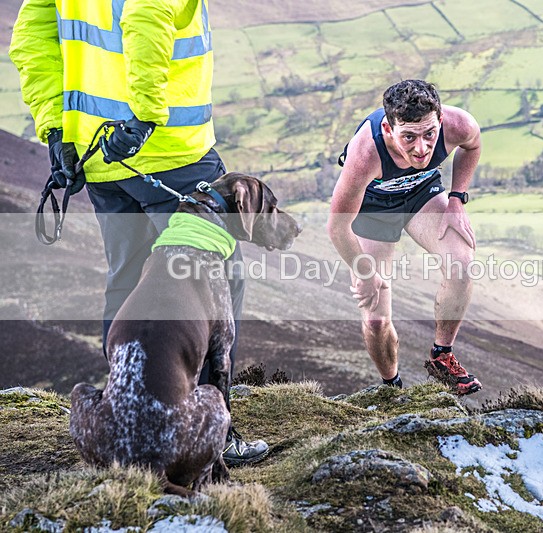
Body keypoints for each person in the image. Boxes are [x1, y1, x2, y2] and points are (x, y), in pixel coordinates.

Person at [10, 0, 267, 466]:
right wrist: (145, 115)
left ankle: (125, 424)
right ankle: (215, 434)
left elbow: (32, 35)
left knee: (129, 284)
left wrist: (54, 129)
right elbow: (146, 17)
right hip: (170, 150)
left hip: (99, 151)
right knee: (215, 283)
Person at [328, 79, 482, 395]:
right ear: (388, 129)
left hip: (422, 193)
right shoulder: (366, 152)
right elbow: (337, 226)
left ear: (440, 120)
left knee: (462, 263)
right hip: (372, 206)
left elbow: (473, 145)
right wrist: (365, 271)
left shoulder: (458, 124)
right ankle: (393, 388)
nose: (422, 148)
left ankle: (442, 356)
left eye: (430, 134)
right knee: (375, 318)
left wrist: (457, 198)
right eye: (408, 137)